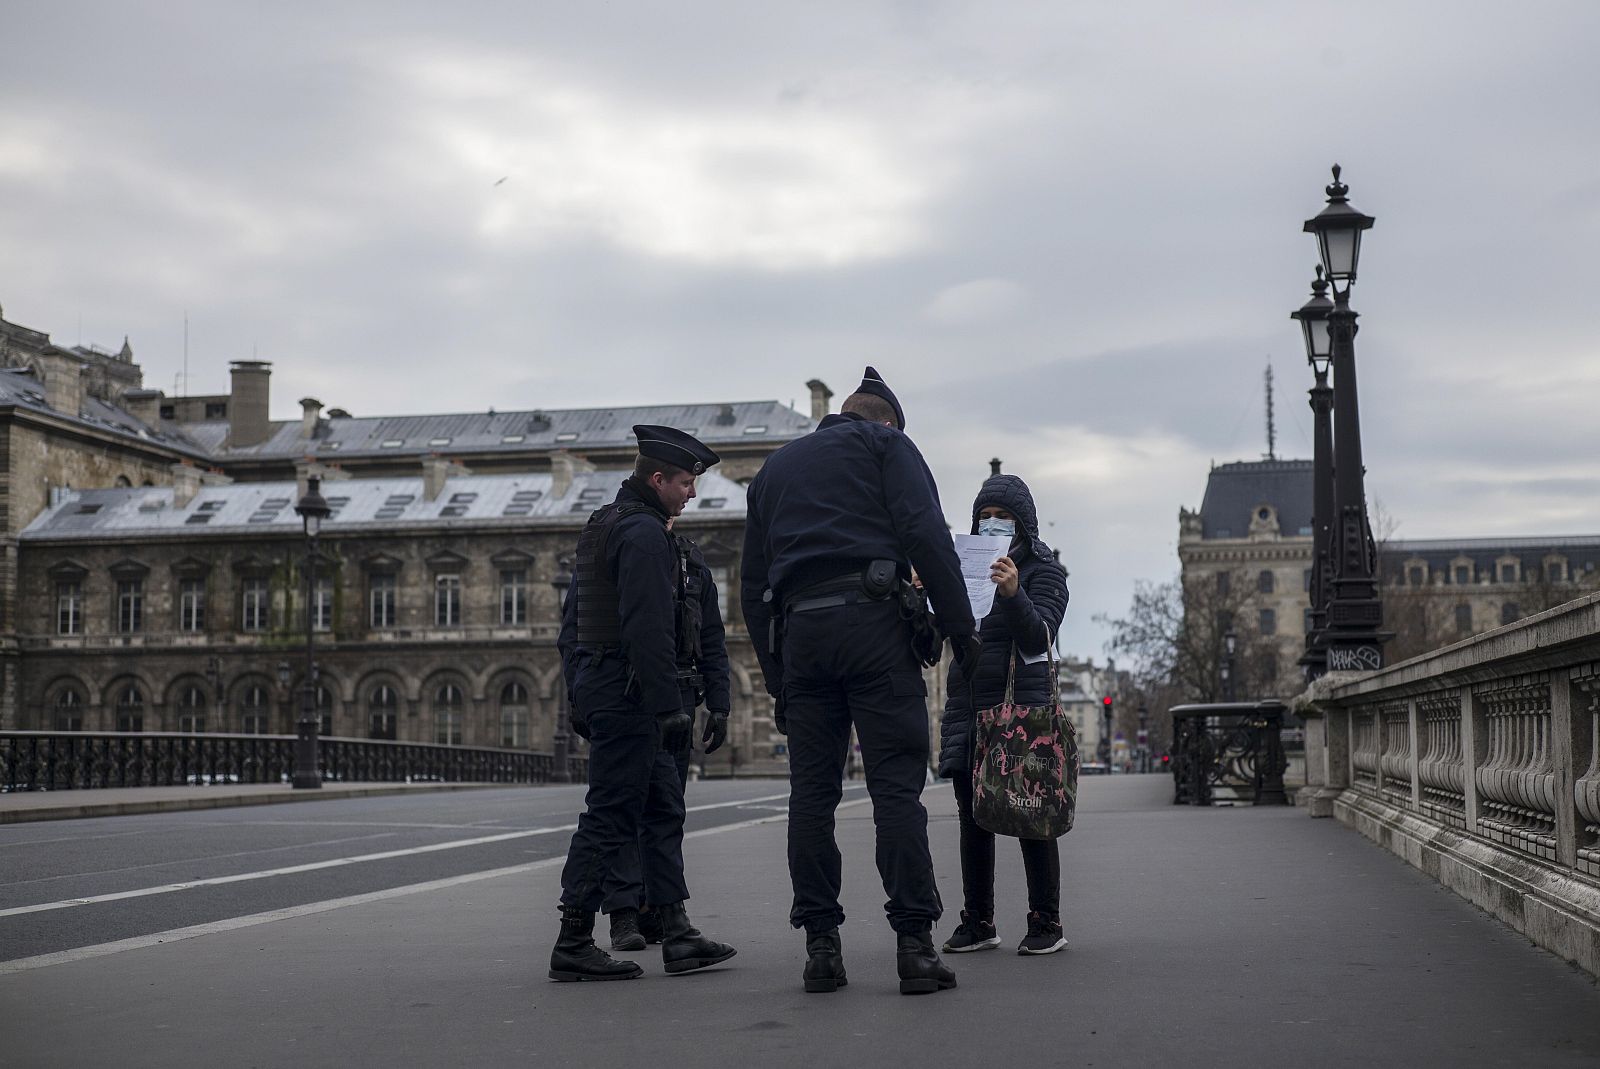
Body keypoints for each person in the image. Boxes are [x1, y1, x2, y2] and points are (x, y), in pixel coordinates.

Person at [741, 366, 980, 996]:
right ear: (887, 419)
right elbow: (928, 539)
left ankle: (821, 949)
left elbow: (751, 587)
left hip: (802, 640)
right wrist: (962, 634)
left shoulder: (773, 471)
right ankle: (914, 948)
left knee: (811, 798)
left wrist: (777, 680)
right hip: (874, 630)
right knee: (895, 793)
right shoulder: (888, 446)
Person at [547, 425, 737, 982]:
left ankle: (676, 931)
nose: (691, 494)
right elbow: (647, 628)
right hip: (633, 697)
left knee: (661, 810)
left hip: (616, 690)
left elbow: (573, 627)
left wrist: (579, 691)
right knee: (610, 816)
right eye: (684, 483)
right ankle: (573, 940)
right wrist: (666, 707)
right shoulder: (646, 535)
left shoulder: (606, 527)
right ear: (657, 480)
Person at [936, 473, 1070, 956]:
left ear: (1024, 526)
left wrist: (1014, 593)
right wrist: (923, 594)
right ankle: (978, 919)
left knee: (1030, 813)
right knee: (973, 819)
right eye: (984, 518)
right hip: (969, 708)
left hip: (1020, 713)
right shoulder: (966, 570)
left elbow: (1040, 639)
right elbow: (937, 639)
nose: (992, 525)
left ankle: (1045, 920)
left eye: (1003, 518)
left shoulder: (1045, 573)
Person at [586, 523, 731, 951]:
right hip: (630, 693)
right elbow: (579, 627)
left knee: (666, 809)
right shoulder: (622, 554)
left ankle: (657, 911)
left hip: (681, 696)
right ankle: (624, 914)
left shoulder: (692, 560)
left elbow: (712, 635)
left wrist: (719, 702)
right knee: (626, 809)